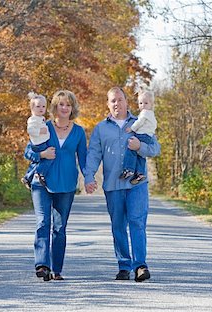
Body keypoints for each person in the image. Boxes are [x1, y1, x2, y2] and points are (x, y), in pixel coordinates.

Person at [84, 87, 160, 282]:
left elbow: (154, 149)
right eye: (112, 101)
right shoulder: (101, 128)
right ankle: (124, 266)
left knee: (137, 222)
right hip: (113, 185)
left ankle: (140, 265)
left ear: (126, 102)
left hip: (137, 183)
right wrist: (89, 176)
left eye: (120, 99)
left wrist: (139, 147)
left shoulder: (140, 122)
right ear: (108, 104)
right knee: (118, 226)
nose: (116, 103)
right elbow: (94, 154)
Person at [24, 90, 87, 281]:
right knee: (43, 222)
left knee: (59, 228)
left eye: (68, 105)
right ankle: (42, 265)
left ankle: (56, 269)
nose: (65, 108)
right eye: (61, 104)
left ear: (72, 108)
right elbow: (29, 152)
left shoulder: (78, 132)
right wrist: (42, 155)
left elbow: (83, 159)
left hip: (66, 185)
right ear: (55, 107)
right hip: (41, 182)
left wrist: (89, 179)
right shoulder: (43, 126)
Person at [120, 90, 157, 185]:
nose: (142, 105)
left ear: (151, 104)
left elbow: (139, 122)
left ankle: (129, 169)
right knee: (141, 155)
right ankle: (140, 173)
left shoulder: (145, 113)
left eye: (146, 103)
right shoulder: (152, 114)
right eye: (140, 103)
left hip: (142, 135)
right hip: (148, 135)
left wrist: (131, 129)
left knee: (131, 149)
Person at [21, 92, 52, 189]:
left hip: (41, 142)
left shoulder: (41, 118)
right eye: (38, 106)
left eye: (43, 106)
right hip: (39, 144)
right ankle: (39, 173)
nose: (41, 108)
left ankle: (28, 177)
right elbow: (30, 130)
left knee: (37, 162)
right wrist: (40, 131)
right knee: (48, 159)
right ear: (32, 108)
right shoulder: (33, 119)